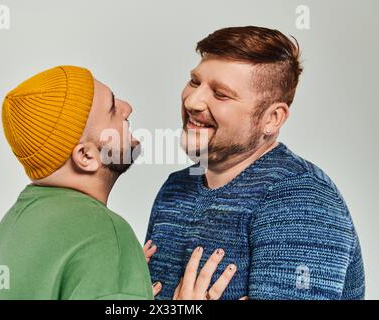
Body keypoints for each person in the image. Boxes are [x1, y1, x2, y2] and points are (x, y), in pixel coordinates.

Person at [0, 65, 237, 300]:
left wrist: (118, 278)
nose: (127, 108)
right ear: (86, 156)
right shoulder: (104, 234)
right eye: (112, 108)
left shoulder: (17, 223)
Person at [145, 26, 365, 300]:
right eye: (194, 81)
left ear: (272, 118)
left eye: (221, 94)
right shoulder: (176, 188)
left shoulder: (300, 200)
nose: (193, 100)